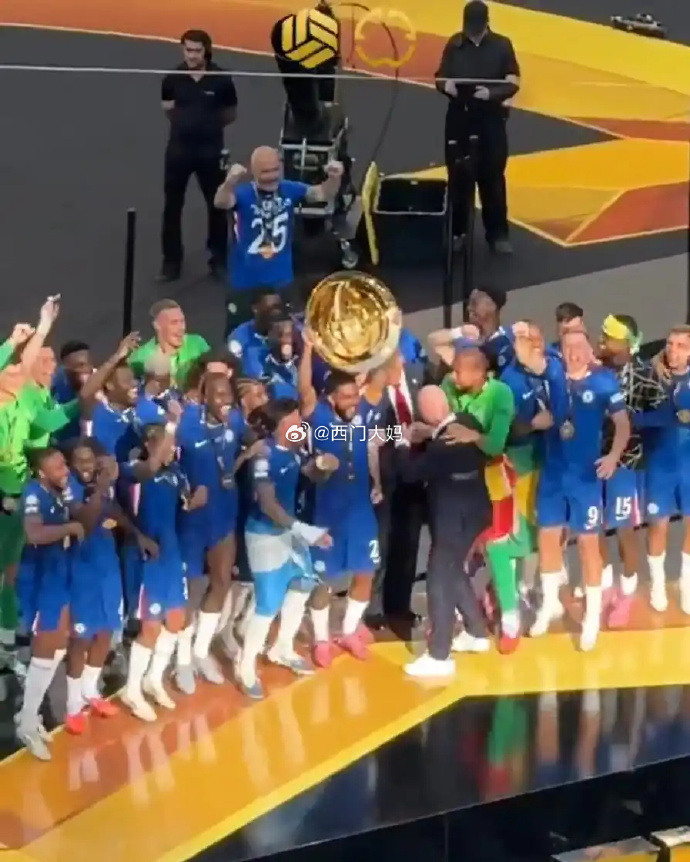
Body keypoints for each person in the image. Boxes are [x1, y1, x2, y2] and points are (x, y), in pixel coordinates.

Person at [530, 329, 630, 651]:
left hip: (585, 478)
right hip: (553, 475)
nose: (573, 353)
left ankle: (591, 618)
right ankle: (549, 604)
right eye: (568, 347)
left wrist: (613, 456)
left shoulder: (603, 382)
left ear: (589, 352)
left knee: (588, 544)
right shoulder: (552, 380)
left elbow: (623, 424)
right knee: (547, 538)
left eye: (579, 347)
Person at [235, 398, 334, 698]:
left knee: (303, 585)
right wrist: (306, 531)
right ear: (280, 426)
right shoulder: (263, 456)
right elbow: (268, 505)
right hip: (265, 536)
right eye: (294, 420)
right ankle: (245, 666)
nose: (301, 425)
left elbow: (310, 474)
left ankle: (282, 648)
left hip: (290, 532)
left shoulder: (294, 451)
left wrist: (324, 467)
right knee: (267, 605)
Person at [298, 336, 381, 666]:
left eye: (354, 395)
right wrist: (308, 349)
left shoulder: (364, 415)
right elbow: (304, 388)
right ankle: (321, 639)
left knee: (366, 573)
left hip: (361, 513)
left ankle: (348, 631)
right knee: (325, 581)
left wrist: (384, 337)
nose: (353, 401)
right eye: (345, 397)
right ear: (330, 398)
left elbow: (380, 376)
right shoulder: (318, 417)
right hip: (327, 515)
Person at [398, 386, 492, 679]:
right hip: (476, 511)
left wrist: (403, 443)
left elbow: (410, 473)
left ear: (425, 413)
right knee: (452, 569)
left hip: (452, 518)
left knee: (439, 578)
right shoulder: (467, 422)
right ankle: (476, 632)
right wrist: (432, 433)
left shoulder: (441, 446)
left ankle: (439, 654)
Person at [119, 412, 205, 721]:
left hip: (171, 553)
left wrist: (195, 500)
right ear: (148, 444)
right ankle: (131, 690)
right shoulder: (132, 470)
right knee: (151, 626)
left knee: (176, 620)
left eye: (173, 444)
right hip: (146, 557)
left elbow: (184, 503)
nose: (171, 449)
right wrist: (171, 424)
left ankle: (153, 679)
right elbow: (149, 469)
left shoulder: (177, 473)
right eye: (166, 444)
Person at [214, 146, 344, 332]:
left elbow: (323, 193)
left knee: (282, 335)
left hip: (280, 282)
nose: (272, 176)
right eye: (265, 172)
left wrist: (334, 178)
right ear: (253, 171)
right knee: (238, 335)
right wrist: (230, 182)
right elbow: (220, 202)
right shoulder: (243, 194)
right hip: (245, 283)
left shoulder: (289, 189)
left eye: (275, 169)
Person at [595, 314, 665, 626]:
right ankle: (605, 584)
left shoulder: (646, 375)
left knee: (625, 529)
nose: (602, 342)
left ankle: (627, 591)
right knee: (594, 528)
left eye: (609, 338)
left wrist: (636, 422)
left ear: (627, 343)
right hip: (594, 462)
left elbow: (664, 415)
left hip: (627, 465)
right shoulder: (596, 371)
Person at [15, 447, 85, 759]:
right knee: (46, 647)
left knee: (58, 645)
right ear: (41, 473)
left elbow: (79, 512)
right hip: (41, 580)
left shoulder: (58, 492)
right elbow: (33, 533)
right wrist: (68, 528)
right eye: (58, 467)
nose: (65, 470)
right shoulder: (33, 493)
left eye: (64, 464)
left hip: (59, 575)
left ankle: (27, 714)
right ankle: (27, 723)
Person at [434, 0, 520, 254]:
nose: (471, 32)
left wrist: (490, 93)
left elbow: (513, 82)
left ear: (485, 23)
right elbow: (440, 75)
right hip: (459, 118)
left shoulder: (502, 45)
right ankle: (458, 232)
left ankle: (497, 234)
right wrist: (446, 86)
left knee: (492, 177)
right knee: (459, 177)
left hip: (490, 120)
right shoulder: (454, 44)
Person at [159, 29, 237, 282]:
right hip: (179, 151)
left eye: (197, 51)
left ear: (206, 51)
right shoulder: (172, 79)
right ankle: (171, 262)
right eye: (188, 50)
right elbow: (168, 109)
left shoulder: (221, 80)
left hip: (210, 151)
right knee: (172, 206)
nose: (192, 55)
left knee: (217, 204)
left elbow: (230, 113)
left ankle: (218, 259)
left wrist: (208, 127)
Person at [366, 349, 428, 628]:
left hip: (416, 475)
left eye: (386, 366)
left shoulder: (419, 377)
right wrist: (399, 435)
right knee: (381, 543)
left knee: (409, 542)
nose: (382, 373)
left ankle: (400, 606)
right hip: (385, 476)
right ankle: (373, 607)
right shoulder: (373, 390)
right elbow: (368, 433)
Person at [644, 325, 690, 614]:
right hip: (659, 466)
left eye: (681, 346)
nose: (673, 351)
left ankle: (687, 583)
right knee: (657, 526)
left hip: (688, 466)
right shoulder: (652, 378)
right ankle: (657, 583)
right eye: (670, 344)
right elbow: (635, 416)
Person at [129, 300, 210, 390]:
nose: (181, 328)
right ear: (157, 325)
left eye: (182, 321)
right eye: (174, 323)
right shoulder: (140, 357)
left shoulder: (197, 344)